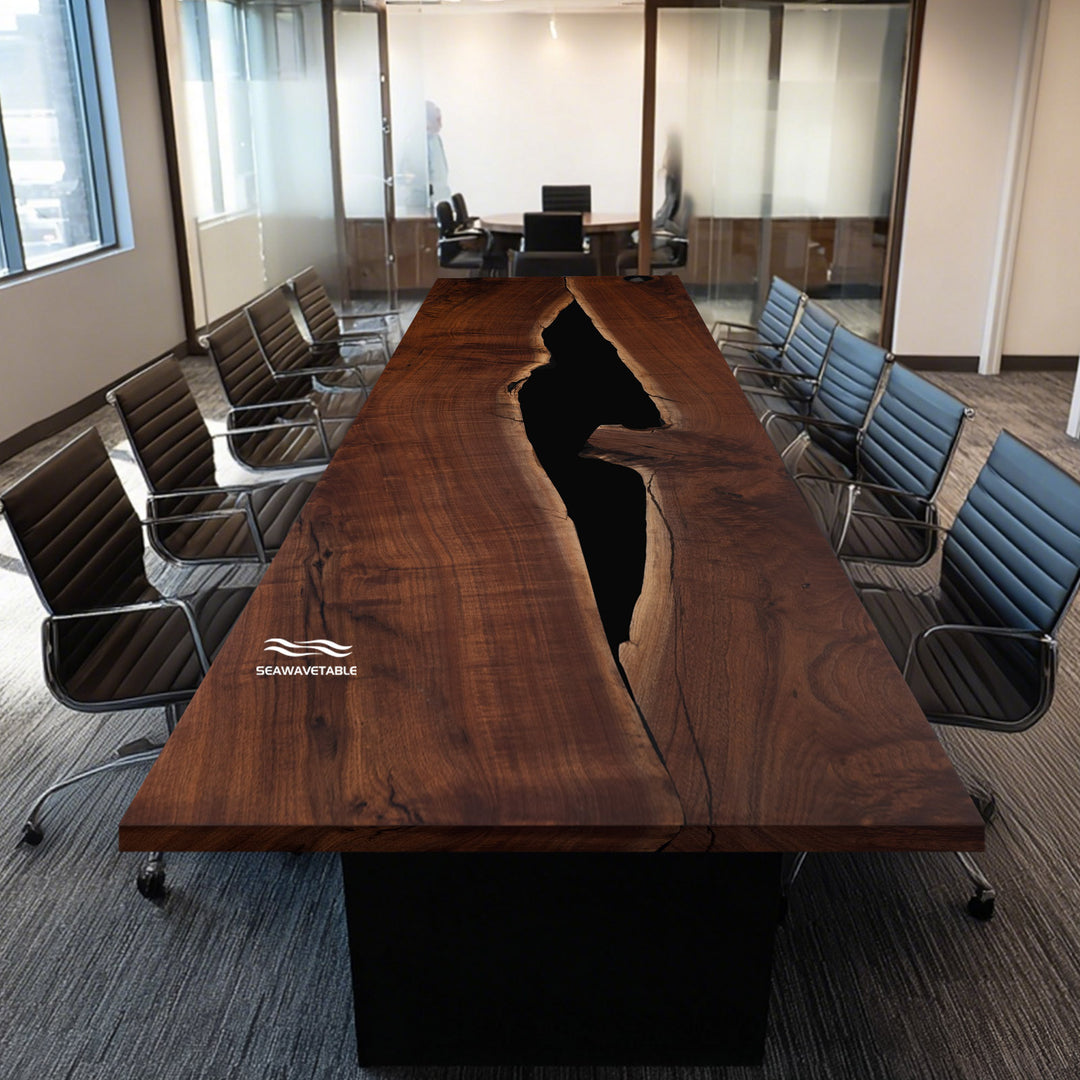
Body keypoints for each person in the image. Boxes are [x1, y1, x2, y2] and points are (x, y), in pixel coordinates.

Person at [426, 100, 451, 210]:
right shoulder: (419, 143)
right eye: (437, 120)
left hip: (442, 200)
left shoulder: (435, 139)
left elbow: (441, 174)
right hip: (429, 202)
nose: (441, 124)